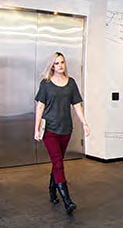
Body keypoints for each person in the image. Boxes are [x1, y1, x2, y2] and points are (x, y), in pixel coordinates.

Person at [34, 52, 90, 214]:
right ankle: (67, 201)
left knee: (57, 162)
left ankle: (52, 190)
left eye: (62, 62)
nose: (60, 66)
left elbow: (77, 105)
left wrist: (85, 123)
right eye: (57, 63)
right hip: (50, 130)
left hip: (66, 129)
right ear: (52, 66)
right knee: (58, 163)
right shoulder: (45, 84)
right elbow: (40, 106)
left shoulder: (71, 83)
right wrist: (36, 128)